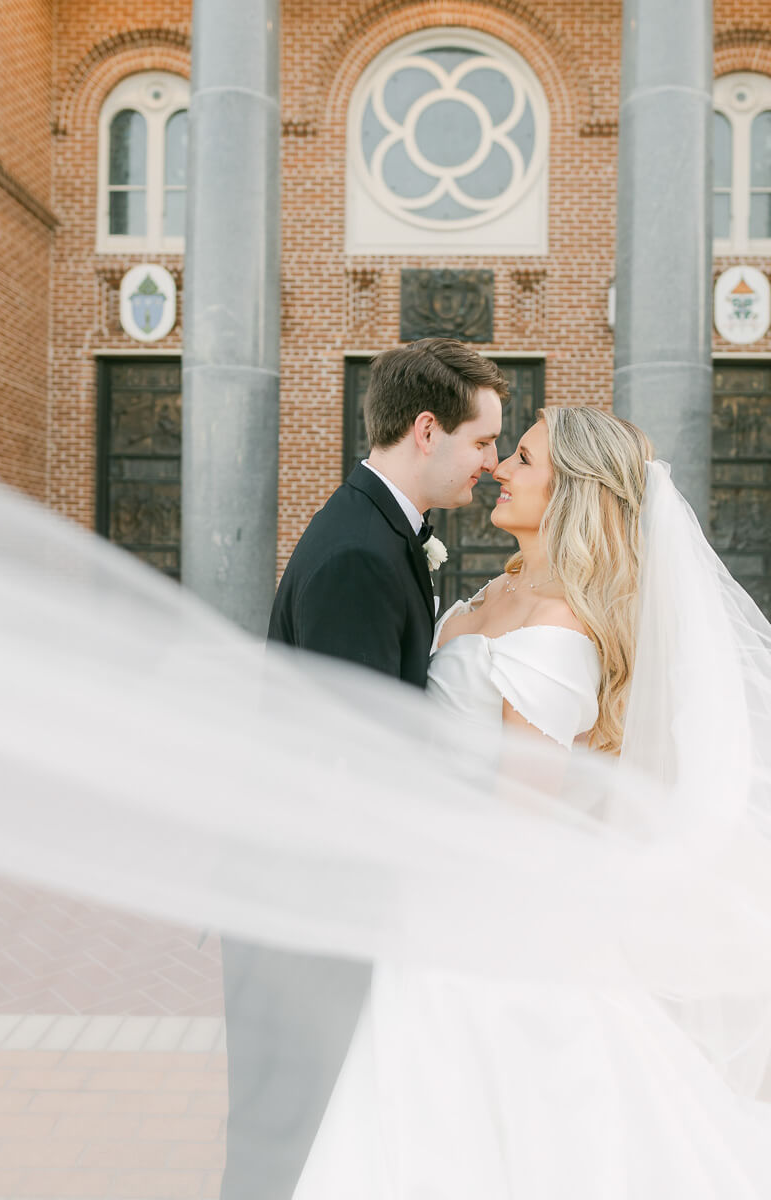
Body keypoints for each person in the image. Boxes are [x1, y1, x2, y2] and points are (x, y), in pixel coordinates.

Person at [288, 405, 771, 1200]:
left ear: (571, 493)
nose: (500, 468)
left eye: (522, 458)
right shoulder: (503, 588)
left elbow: (520, 827)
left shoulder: (558, 633)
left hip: (477, 929)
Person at [220, 338, 507, 1200]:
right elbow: (358, 766)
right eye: (485, 441)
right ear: (428, 430)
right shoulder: (357, 556)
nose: (490, 466)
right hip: (305, 910)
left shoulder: (379, 531)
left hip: (326, 897)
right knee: (285, 1140)